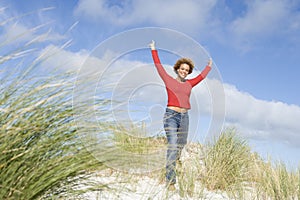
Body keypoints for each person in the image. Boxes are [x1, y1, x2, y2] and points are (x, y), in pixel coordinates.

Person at [149, 40, 212, 190]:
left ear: (189, 72)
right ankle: (170, 181)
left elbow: (201, 77)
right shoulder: (168, 80)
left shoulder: (189, 84)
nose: (184, 71)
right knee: (172, 144)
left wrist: (208, 67)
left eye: (187, 70)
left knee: (181, 144)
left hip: (185, 117)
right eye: (182, 69)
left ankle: (175, 161)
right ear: (177, 69)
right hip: (171, 116)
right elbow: (158, 67)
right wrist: (153, 50)